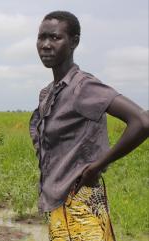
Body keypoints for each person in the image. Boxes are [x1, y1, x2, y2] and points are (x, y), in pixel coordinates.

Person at [29, 11, 149, 241]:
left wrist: (97, 166)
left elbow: (142, 122)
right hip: (58, 202)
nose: (45, 45)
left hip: (80, 203)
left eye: (55, 38)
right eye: (41, 37)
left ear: (74, 42)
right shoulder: (49, 93)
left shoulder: (82, 87)